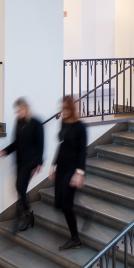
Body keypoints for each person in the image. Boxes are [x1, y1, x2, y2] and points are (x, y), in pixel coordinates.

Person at [0, 98, 44, 232]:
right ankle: (26, 216)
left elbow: (40, 145)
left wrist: (39, 163)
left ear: (26, 109)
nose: (18, 113)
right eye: (17, 111)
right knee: (20, 188)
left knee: (20, 186)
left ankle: (24, 216)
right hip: (20, 161)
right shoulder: (19, 122)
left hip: (31, 162)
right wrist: (4, 151)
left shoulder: (36, 123)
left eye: (20, 110)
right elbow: (16, 143)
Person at [49, 95, 87, 250]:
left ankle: (75, 239)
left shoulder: (80, 127)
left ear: (71, 108)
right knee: (58, 202)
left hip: (73, 168)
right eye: (61, 108)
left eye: (65, 108)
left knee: (66, 204)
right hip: (62, 166)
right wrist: (53, 165)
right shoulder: (63, 122)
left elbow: (82, 151)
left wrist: (79, 173)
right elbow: (61, 145)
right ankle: (83, 215)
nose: (63, 111)